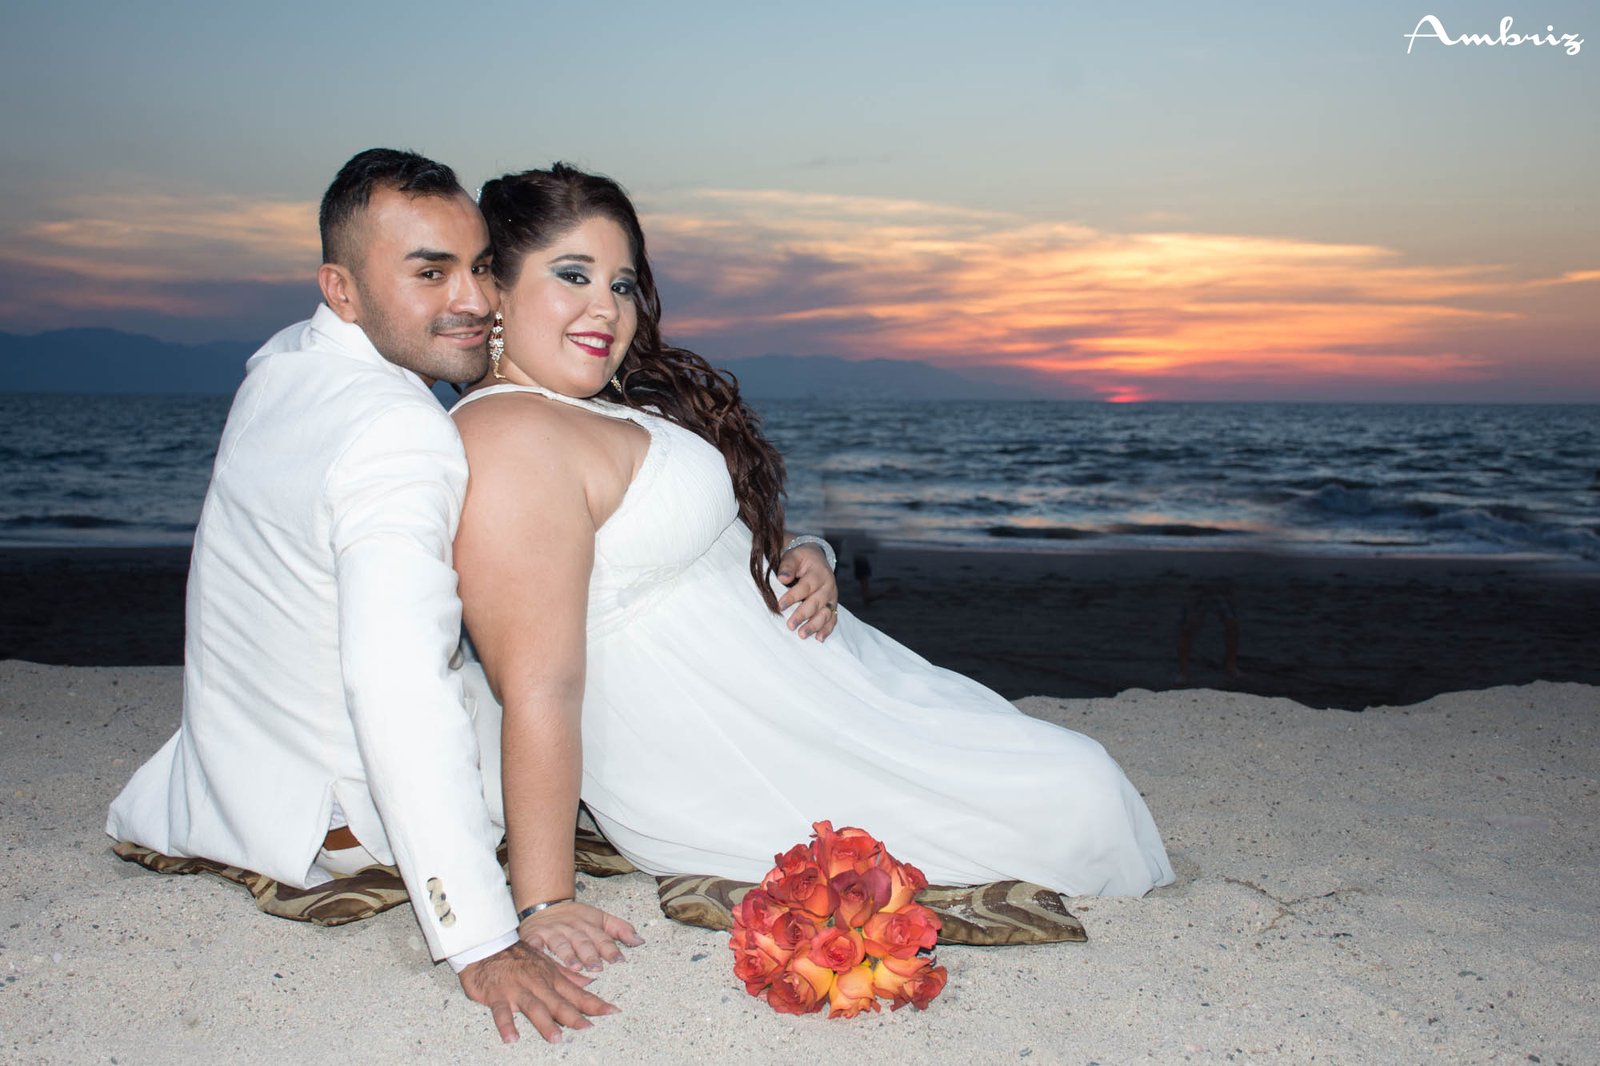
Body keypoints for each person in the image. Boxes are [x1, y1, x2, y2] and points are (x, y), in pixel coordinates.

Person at [451, 164, 1175, 965]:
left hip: (822, 698)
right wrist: (545, 900)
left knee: (1072, 779)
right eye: (573, 275)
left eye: (622, 284)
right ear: (495, 289)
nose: (607, 308)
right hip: (734, 749)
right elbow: (537, 683)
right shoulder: (510, 438)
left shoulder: (585, 407)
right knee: (1074, 796)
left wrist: (804, 554)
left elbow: (689, 543)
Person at [105, 149, 628, 1045]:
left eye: (482, 268)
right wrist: (480, 939)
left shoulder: (282, 364)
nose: (475, 300)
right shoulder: (401, 434)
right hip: (343, 822)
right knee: (586, 686)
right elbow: (397, 686)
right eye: (430, 273)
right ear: (341, 289)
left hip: (231, 787)